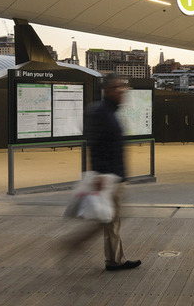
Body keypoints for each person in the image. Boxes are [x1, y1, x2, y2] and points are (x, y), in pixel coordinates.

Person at [63, 75, 140, 271]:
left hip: (114, 176)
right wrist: (98, 174)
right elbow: (95, 145)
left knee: (110, 220)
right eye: (118, 88)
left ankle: (113, 258)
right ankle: (79, 245)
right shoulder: (99, 112)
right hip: (108, 177)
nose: (122, 91)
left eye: (124, 88)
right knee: (107, 220)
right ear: (106, 90)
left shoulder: (110, 111)